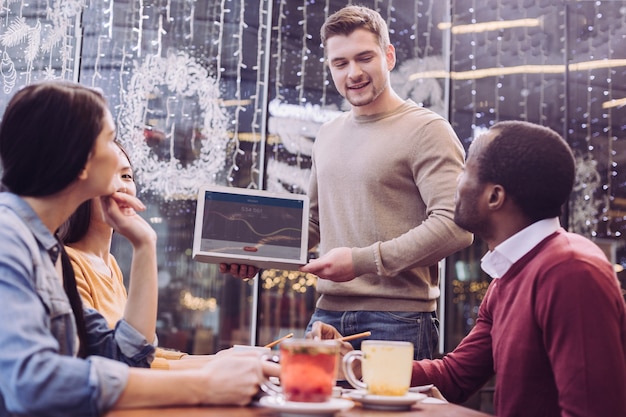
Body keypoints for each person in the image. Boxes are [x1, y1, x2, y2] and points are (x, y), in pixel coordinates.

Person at [310, 120, 626, 417]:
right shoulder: (512, 272)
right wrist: (357, 363)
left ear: (494, 196)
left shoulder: (572, 273)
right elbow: (456, 375)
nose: (455, 185)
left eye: (464, 172)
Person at [0, 81, 277, 417]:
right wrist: (203, 384)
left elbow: (123, 355)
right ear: (81, 162)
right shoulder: (9, 239)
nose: (119, 152)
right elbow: (32, 384)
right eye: (107, 138)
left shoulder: (45, 248)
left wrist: (145, 243)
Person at [222, 5, 472, 360]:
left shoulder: (428, 130)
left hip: (398, 321)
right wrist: (255, 254)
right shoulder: (328, 133)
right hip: (325, 317)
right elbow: (312, 223)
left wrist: (361, 262)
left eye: (364, 58)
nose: (353, 73)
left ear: (388, 56)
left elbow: (455, 226)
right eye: (340, 63)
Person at [58, 143, 202, 370]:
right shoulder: (67, 262)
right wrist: (209, 369)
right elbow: (114, 362)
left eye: (126, 175)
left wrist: (218, 360)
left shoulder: (110, 264)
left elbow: (140, 352)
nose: (122, 186)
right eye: (107, 174)